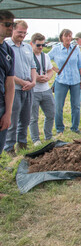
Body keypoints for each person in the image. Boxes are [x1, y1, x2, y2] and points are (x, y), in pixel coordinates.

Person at [3, 20, 36, 155]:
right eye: (19, 32)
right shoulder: (5, 47)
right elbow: (6, 72)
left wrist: (33, 81)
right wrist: (22, 82)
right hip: (14, 89)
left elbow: (33, 66)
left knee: (26, 118)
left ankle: (22, 144)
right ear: (12, 30)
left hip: (28, 88)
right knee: (13, 119)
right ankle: (9, 147)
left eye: (24, 33)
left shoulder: (27, 47)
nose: (22, 35)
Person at [48, 29, 81, 135]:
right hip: (61, 80)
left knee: (76, 105)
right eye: (66, 36)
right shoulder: (56, 49)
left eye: (70, 36)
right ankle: (59, 128)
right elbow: (45, 59)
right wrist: (55, 69)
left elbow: (80, 64)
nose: (68, 38)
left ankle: (75, 127)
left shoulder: (76, 48)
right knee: (58, 106)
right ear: (61, 37)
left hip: (75, 80)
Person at [29, 33, 55, 146]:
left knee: (51, 114)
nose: (41, 47)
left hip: (46, 90)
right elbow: (23, 73)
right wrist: (35, 78)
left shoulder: (46, 56)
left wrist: (48, 77)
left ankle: (48, 136)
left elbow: (50, 70)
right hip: (33, 91)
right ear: (32, 43)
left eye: (42, 45)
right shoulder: (28, 56)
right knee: (33, 117)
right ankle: (36, 140)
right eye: (38, 45)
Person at [0, 10, 15, 155]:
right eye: (7, 24)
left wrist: (8, 112)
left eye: (13, 24)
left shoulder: (9, 51)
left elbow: (9, 83)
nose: (11, 28)